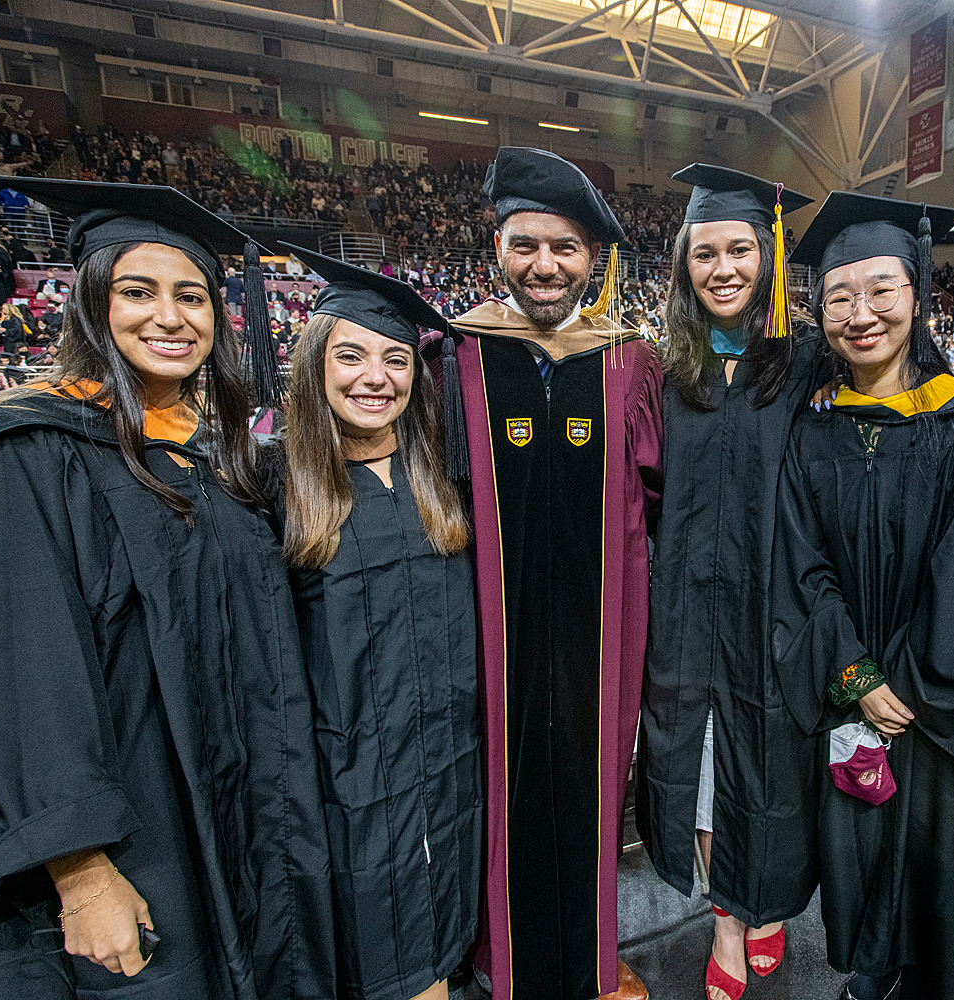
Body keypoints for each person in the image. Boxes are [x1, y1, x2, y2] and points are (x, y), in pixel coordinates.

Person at [0, 177, 336, 999]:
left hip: (241, 813)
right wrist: (81, 872)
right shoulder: (24, 453)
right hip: (132, 837)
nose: (170, 319)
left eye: (193, 297)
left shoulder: (221, 461)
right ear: (90, 305)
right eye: (137, 293)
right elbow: (16, 678)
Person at [772, 194, 954, 1000]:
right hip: (855, 699)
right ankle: (871, 982)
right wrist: (856, 676)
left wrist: (901, 686)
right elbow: (801, 568)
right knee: (866, 863)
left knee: (942, 881)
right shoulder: (811, 434)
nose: (861, 314)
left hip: (941, 709)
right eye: (838, 298)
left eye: (882, 290)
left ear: (918, 295)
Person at [444, 146, 663, 1000]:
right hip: (488, 642)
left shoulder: (628, 365)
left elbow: (656, 501)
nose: (545, 265)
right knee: (497, 793)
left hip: (597, 641)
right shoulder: (452, 359)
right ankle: (499, 962)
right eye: (526, 243)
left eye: (566, 248)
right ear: (496, 247)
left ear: (593, 260)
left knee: (596, 788)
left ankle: (591, 962)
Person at [270, 248, 481, 1000]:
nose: (375, 377)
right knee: (379, 943)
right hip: (349, 772)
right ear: (313, 366)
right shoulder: (279, 488)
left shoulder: (448, 484)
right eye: (350, 355)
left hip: (451, 757)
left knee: (449, 922)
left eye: (396, 359)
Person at [636, 165, 820, 1000]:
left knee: (772, 768)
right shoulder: (661, 372)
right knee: (701, 768)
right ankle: (729, 920)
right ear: (683, 266)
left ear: (768, 256)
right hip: (684, 611)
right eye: (704, 254)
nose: (723, 270)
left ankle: (762, 899)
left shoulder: (806, 363)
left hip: (771, 610)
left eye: (740, 250)